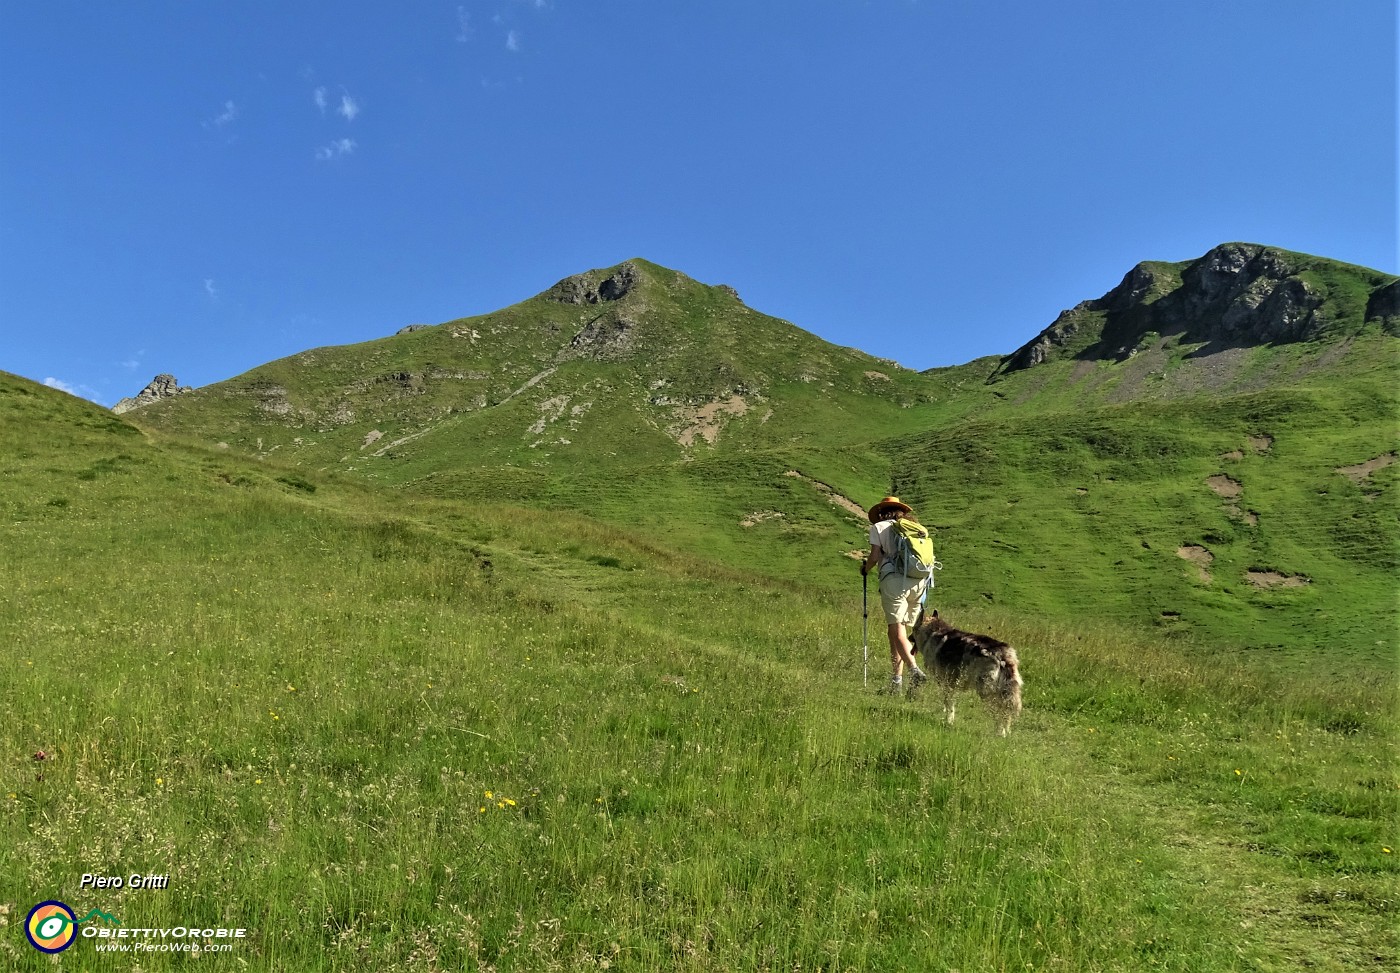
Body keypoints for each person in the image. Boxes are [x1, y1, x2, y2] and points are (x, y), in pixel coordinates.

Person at [861, 496, 930, 695]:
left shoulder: (879, 528)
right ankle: (896, 681)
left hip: (894, 581)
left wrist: (866, 569)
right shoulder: (913, 528)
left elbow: (874, 556)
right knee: (896, 632)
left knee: (896, 629)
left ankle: (915, 671)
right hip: (917, 581)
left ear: (882, 513)